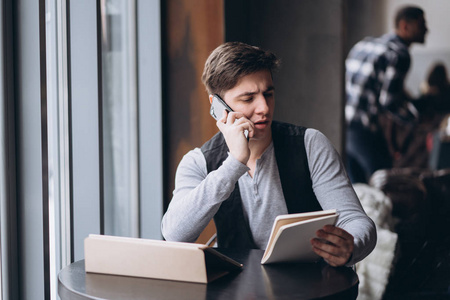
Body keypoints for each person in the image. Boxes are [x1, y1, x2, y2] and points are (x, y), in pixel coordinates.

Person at [162, 42, 376, 267]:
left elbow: (357, 221)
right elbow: (175, 235)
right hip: (239, 288)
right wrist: (234, 164)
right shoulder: (198, 162)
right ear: (217, 106)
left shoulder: (310, 144)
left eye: (268, 94)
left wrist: (351, 246)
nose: (264, 107)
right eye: (248, 98)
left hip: (311, 284)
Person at [345, 5, 428, 183]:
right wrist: (415, 120)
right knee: (386, 184)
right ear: (405, 26)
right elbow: (388, 102)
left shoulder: (365, 43)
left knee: (356, 190)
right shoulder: (400, 54)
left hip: (346, 127)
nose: (426, 30)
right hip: (366, 130)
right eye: (422, 25)